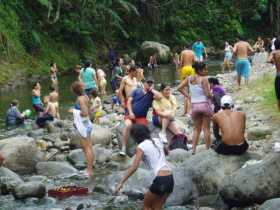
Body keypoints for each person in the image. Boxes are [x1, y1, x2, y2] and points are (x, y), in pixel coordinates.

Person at [116, 124, 174, 210]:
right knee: (157, 207)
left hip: (160, 180)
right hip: (170, 179)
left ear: (135, 137)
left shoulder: (141, 146)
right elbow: (167, 152)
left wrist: (121, 182)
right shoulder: (157, 140)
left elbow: (134, 167)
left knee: (146, 207)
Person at [120, 77, 161, 156]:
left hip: (141, 117)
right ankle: (123, 147)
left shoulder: (152, 94)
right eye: (148, 83)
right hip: (130, 114)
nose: (149, 84)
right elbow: (128, 102)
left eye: (151, 83)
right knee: (128, 125)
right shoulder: (136, 91)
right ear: (144, 83)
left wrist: (151, 89)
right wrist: (131, 112)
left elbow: (159, 97)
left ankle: (142, 150)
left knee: (142, 131)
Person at [178, 62, 212, 154]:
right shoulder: (204, 79)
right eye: (205, 69)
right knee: (206, 129)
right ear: (200, 70)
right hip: (204, 105)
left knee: (196, 129)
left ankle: (193, 150)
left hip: (194, 106)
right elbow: (207, 94)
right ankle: (208, 149)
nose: (206, 71)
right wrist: (212, 95)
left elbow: (179, 88)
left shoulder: (189, 78)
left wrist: (189, 96)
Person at [71, 81, 95, 177]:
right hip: (87, 124)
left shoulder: (80, 99)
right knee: (89, 147)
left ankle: (89, 171)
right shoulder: (86, 97)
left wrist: (73, 111)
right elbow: (89, 110)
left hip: (84, 126)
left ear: (74, 91)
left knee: (87, 148)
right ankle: (90, 168)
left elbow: (85, 113)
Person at [179, 46, 196, 116]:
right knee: (191, 90)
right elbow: (194, 62)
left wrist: (179, 69)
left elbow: (181, 62)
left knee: (185, 90)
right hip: (191, 69)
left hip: (185, 68)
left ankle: (185, 111)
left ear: (185, 47)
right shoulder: (193, 52)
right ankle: (189, 111)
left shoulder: (183, 52)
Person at [268, 37, 280, 111]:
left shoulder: (274, 52)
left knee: (279, 97)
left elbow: (268, 60)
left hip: (279, 76)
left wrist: (274, 61)